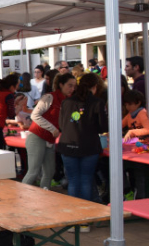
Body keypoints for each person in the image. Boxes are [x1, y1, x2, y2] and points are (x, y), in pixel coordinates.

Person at [58, 73, 108, 219]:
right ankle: (85, 218)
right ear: (94, 87)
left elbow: (61, 125)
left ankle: (75, 217)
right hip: (89, 146)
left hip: (68, 145)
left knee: (73, 180)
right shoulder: (97, 102)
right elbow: (102, 127)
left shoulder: (66, 102)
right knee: (85, 179)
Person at [22, 73, 76, 189]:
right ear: (61, 85)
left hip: (50, 139)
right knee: (33, 172)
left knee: (49, 172)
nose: (72, 89)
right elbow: (35, 115)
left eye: (74, 86)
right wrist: (53, 128)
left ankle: (44, 198)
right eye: (70, 85)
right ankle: (22, 200)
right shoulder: (49, 97)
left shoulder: (67, 101)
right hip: (37, 136)